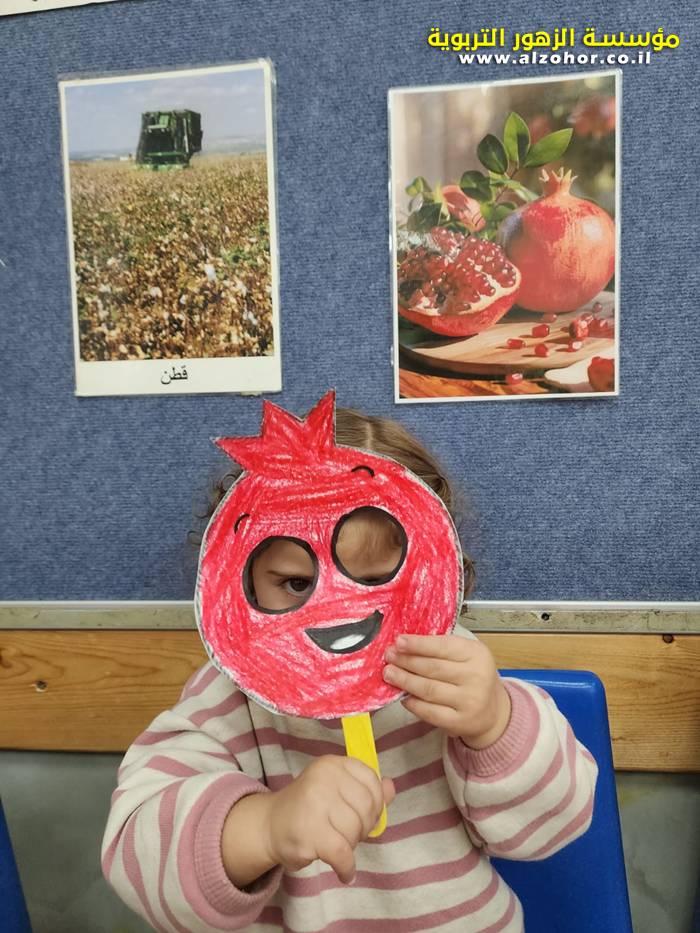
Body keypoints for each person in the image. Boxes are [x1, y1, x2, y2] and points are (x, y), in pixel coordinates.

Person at [102, 406, 598, 932]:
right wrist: (263, 827)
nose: (340, 608)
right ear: (239, 575)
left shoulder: (450, 672)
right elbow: (136, 857)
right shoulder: (224, 701)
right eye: (296, 583)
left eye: (379, 578)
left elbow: (556, 827)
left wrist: (495, 726)